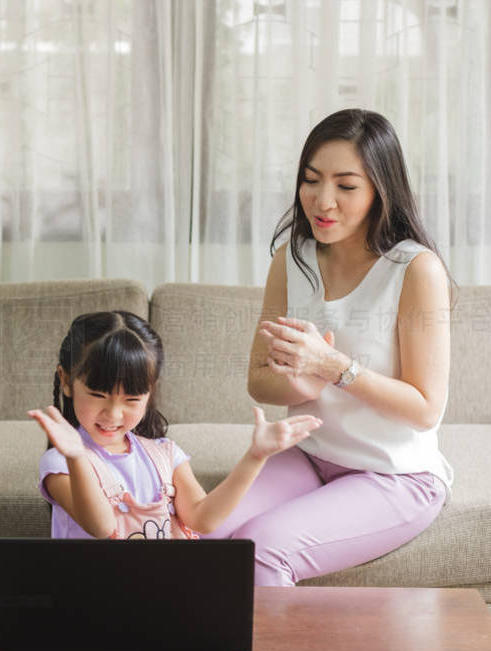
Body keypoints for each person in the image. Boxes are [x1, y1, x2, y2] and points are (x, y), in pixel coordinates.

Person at [205, 108, 456, 586]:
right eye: (311, 179)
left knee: (261, 553)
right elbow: (258, 382)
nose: (323, 201)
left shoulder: (415, 270)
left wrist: (335, 366)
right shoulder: (292, 259)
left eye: (346, 186)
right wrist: (298, 380)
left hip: (394, 476)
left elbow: (426, 409)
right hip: (308, 456)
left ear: (381, 190)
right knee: (203, 536)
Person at [29, 310, 322, 540]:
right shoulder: (60, 464)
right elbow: (101, 526)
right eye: (97, 395)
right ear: (66, 381)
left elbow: (203, 519)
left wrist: (256, 456)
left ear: (150, 392)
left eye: (131, 399)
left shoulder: (166, 454)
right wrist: (77, 457)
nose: (114, 414)